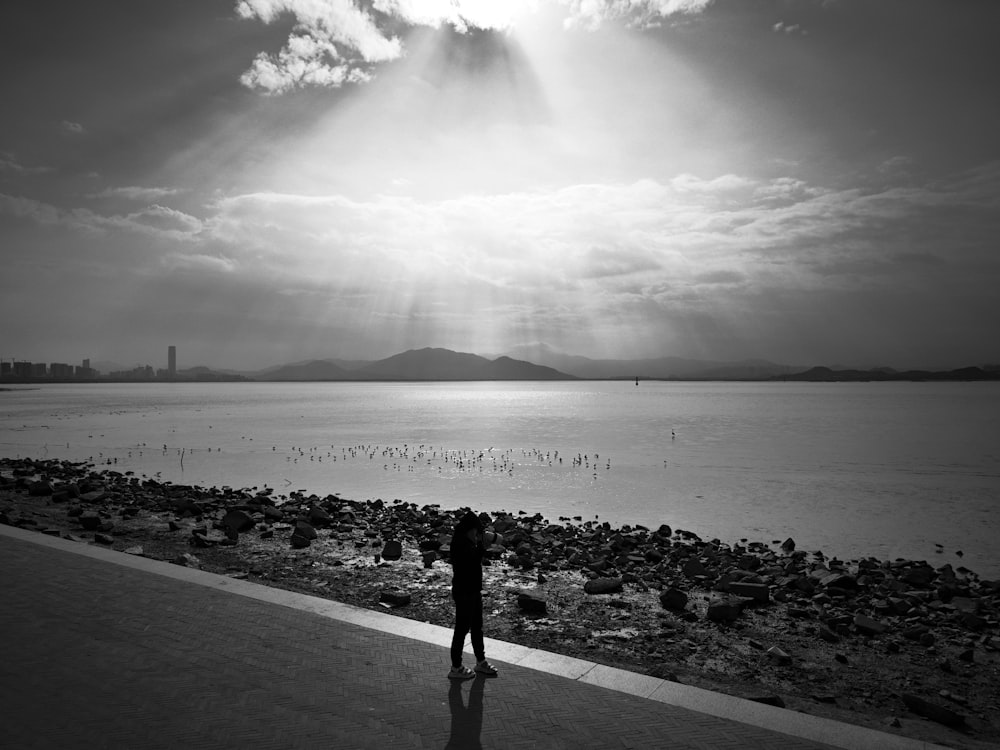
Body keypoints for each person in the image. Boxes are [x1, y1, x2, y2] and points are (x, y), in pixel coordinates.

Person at [448, 510, 499, 679]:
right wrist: (482, 547)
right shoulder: (460, 544)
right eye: (476, 531)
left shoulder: (466, 542)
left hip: (473, 591)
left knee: (477, 627)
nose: (477, 534)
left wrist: (479, 546)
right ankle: (456, 667)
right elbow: (470, 563)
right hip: (464, 592)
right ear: (469, 530)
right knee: (462, 629)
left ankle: (481, 661)